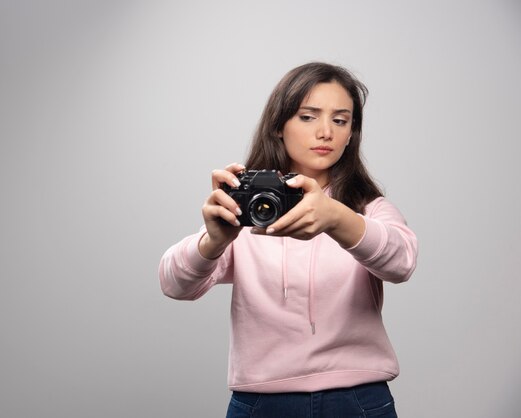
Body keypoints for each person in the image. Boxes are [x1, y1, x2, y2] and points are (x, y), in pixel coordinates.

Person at [158, 62, 418, 417]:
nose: (325, 132)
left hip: (357, 398)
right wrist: (213, 241)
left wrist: (335, 217)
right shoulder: (247, 205)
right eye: (308, 116)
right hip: (262, 400)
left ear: (351, 133)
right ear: (279, 126)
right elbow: (175, 285)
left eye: (340, 120)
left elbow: (401, 262)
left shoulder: (368, 209)